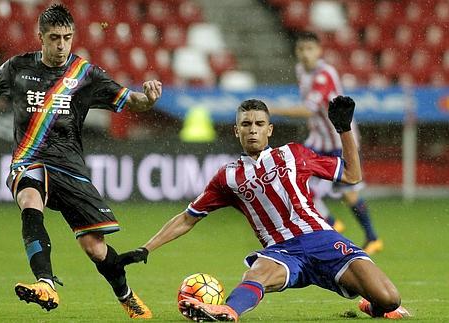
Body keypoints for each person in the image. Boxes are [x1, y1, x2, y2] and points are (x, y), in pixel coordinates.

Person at [0, 4, 161, 319]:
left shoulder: (85, 74)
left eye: (67, 37)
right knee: (30, 199)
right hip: (29, 160)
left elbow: (132, 101)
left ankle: (126, 297)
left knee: (94, 247)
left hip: (69, 166)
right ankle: (45, 282)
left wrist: (149, 99)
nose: (61, 45)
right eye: (55, 37)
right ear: (40, 38)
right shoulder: (18, 68)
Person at [119, 97, 410, 321]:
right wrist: (146, 248)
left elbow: (351, 176)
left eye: (259, 124)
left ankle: (371, 305)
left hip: (322, 239)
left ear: (270, 129)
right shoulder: (227, 176)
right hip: (281, 251)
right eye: (246, 124)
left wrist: (344, 130)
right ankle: (228, 313)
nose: (253, 130)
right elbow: (187, 218)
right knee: (256, 274)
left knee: (390, 299)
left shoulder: (294, 154)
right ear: (236, 131)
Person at [270, 31, 382, 255]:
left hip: (338, 139)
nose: (305, 54)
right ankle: (330, 221)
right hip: (318, 138)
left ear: (319, 51)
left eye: (310, 49)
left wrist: (272, 109)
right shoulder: (301, 70)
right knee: (289, 175)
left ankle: (372, 237)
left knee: (348, 193)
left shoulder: (325, 75)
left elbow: (307, 109)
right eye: (301, 49)